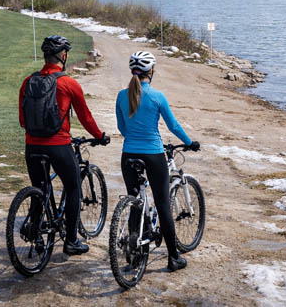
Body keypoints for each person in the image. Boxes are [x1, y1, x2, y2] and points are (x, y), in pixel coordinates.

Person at [19, 35, 109, 256]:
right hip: (58, 145)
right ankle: (71, 241)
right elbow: (85, 117)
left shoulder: (28, 82)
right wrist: (100, 136)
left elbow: (23, 121)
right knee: (73, 187)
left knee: (40, 189)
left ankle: (36, 232)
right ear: (64, 56)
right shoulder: (68, 83)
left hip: (32, 146)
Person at [115, 50, 200, 272]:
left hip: (128, 155)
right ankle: (173, 258)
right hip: (153, 155)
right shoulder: (157, 96)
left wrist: (134, 138)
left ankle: (134, 256)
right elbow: (173, 126)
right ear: (150, 71)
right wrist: (190, 142)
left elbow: (122, 128)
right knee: (162, 205)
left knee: (135, 200)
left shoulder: (121, 96)